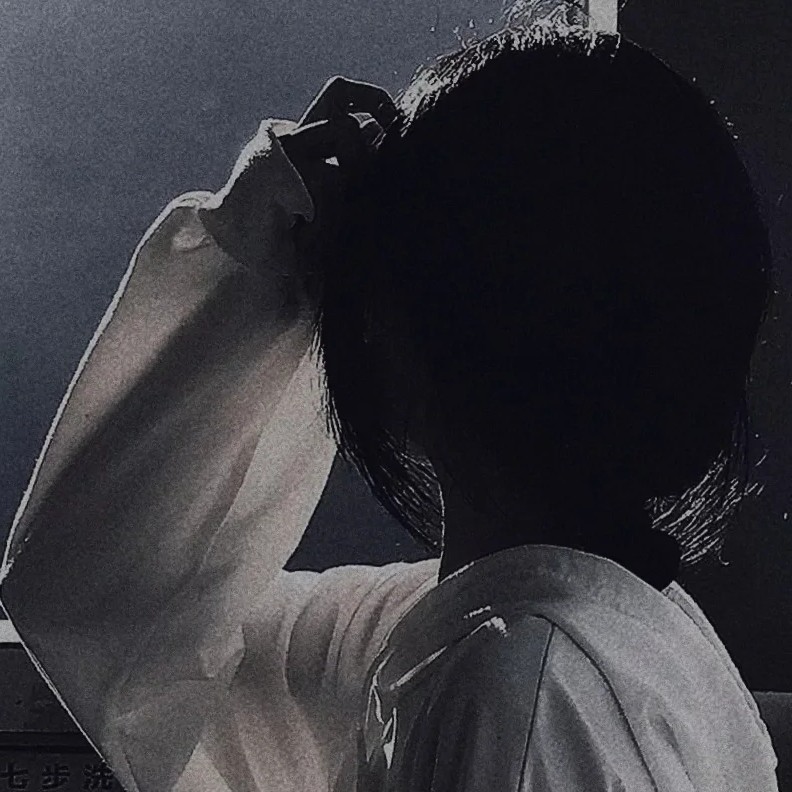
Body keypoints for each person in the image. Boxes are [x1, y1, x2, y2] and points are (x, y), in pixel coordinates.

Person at [0, 15, 781, 792]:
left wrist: (262, 258)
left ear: (407, 332)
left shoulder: (522, 685)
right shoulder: (572, 626)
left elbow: (98, 612)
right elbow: (98, 603)